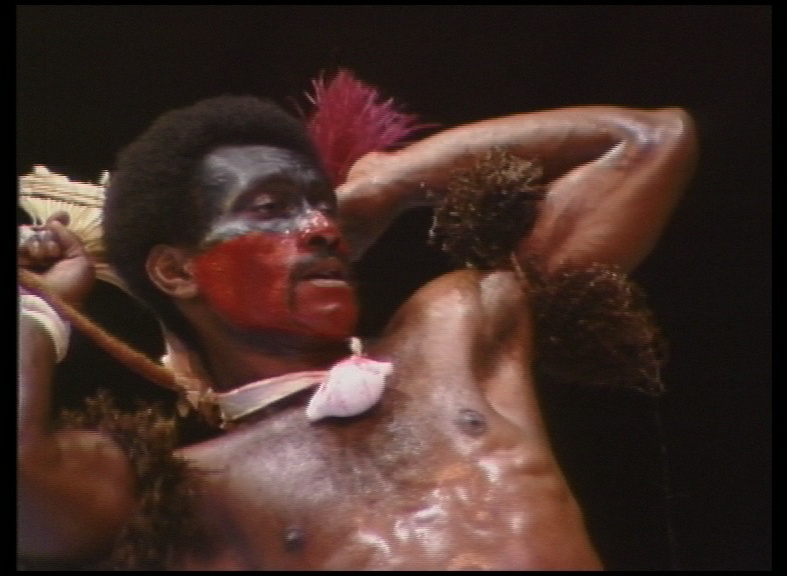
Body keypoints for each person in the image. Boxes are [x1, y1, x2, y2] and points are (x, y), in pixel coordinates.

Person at [18, 84, 697, 570]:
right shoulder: (187, 488)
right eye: (270, 209)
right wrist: (41, 305)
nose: (321, 228)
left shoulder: (452, 334)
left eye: (322, 207)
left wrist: (387, 184)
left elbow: (649, 142)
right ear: (175, 271)